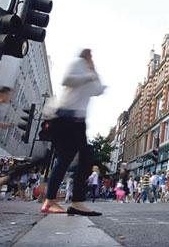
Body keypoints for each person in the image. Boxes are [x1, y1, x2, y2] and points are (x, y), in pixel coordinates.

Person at [41, 49, 106, 216]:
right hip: (65, 115)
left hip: (77, 119)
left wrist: (94, 73)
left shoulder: (90, 71)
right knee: (77, 157)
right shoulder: (77, 64)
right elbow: (66, 80)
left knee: (73, 158)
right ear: (85, 56)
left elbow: (98, 90)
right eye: (90, 56)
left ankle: (60, 201)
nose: (92, 59)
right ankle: (70, 201)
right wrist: (88, 76)